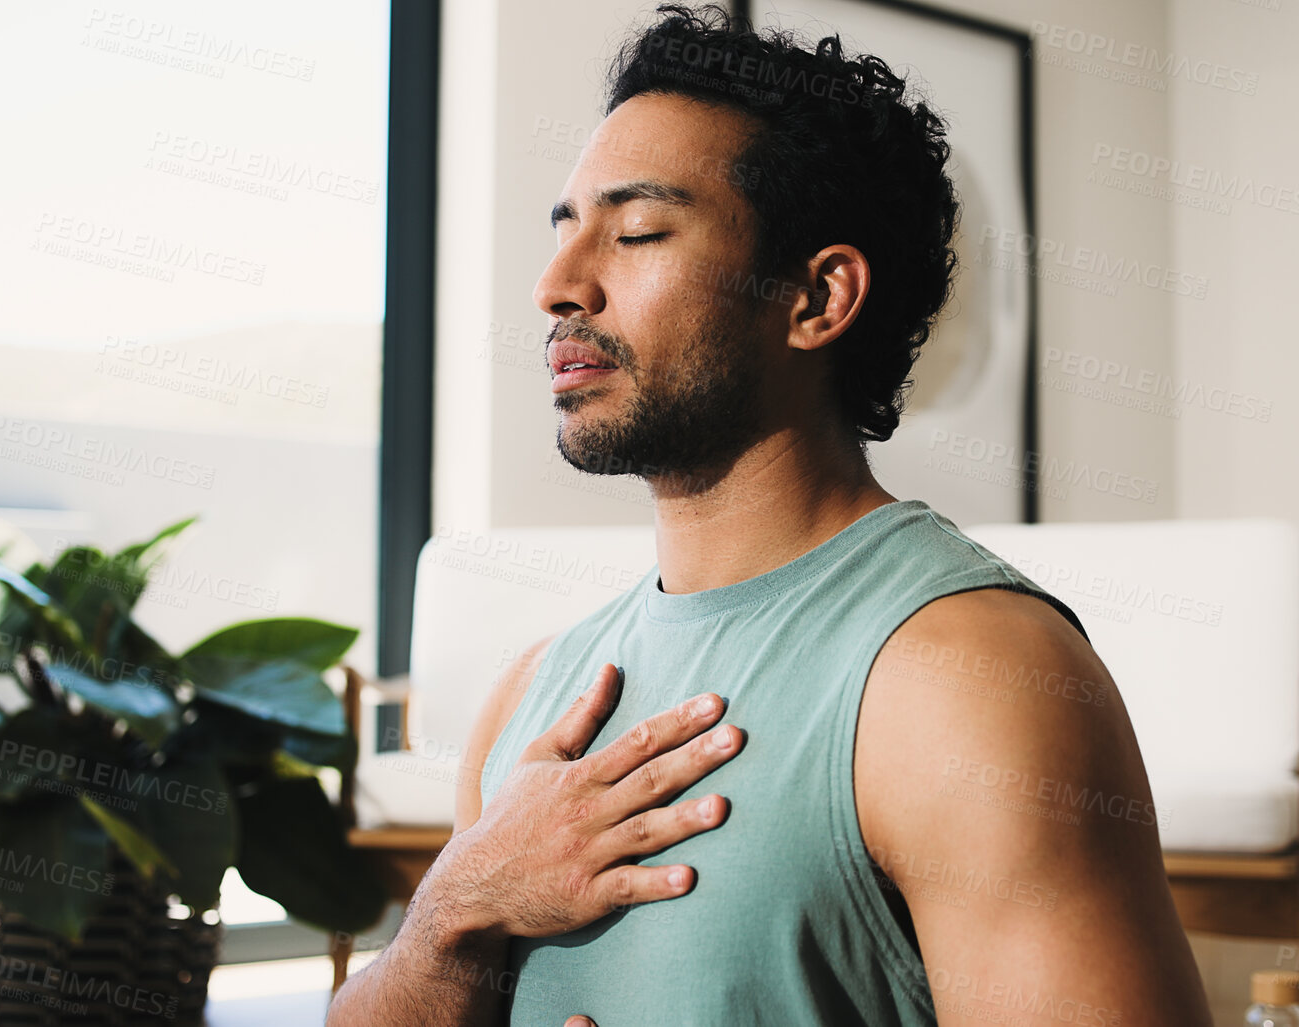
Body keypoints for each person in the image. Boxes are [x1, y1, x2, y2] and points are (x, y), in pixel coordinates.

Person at [328, 5, 1210, 1024]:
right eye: (566, 233)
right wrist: (456, 905)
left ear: (817, 297)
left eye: (639, 231)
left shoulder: (973, 682)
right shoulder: (531, 693)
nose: (557, 287)